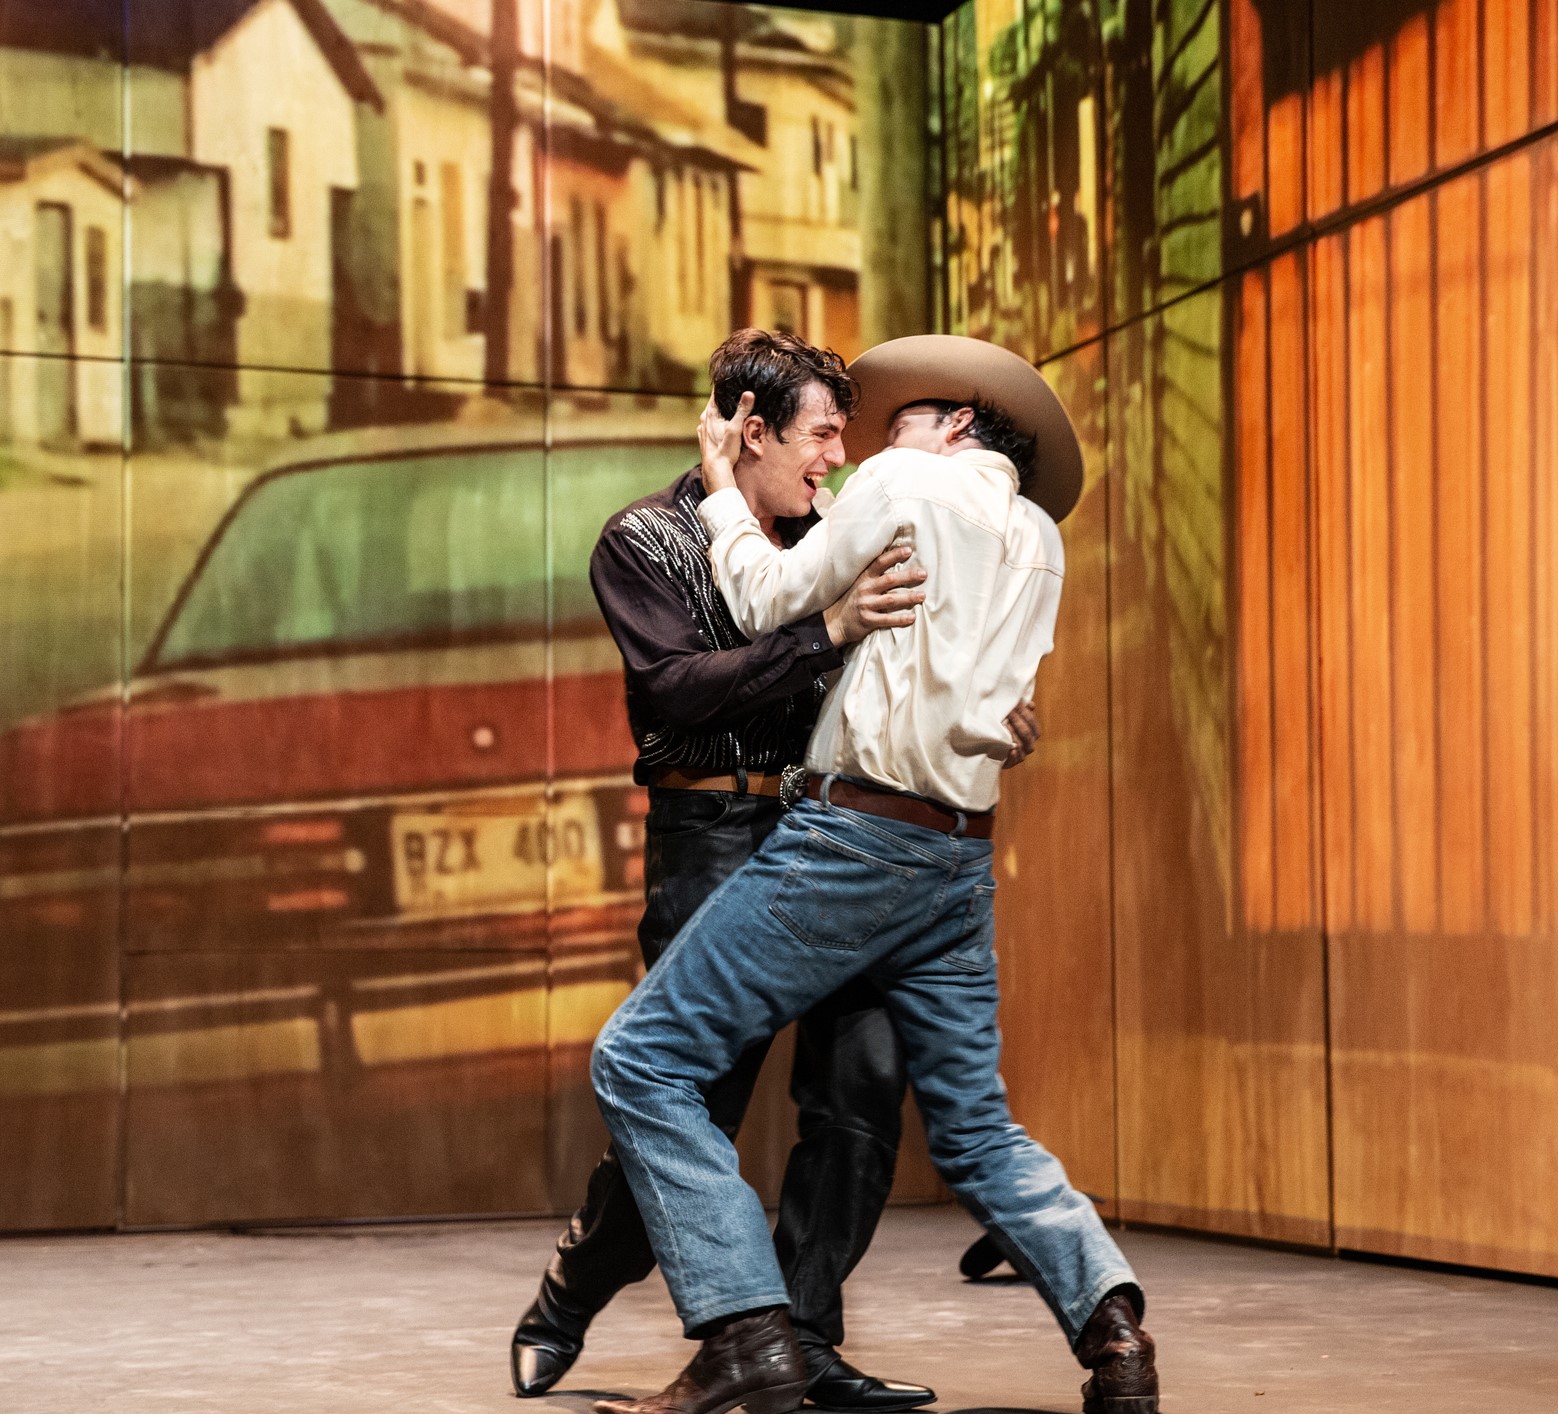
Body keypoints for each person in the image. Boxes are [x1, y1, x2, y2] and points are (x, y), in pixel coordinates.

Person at [588, 335, 1161, 1414]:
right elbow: (1000, 710)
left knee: (641, 1058)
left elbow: (759, 600)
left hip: (855, 842)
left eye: (894, 422)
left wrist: (721, 488)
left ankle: (748, 1335)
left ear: (955, 424)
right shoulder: (1040, 539)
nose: (859, 450)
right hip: (959, 858)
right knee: (975, 1128)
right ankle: (1114, 1331)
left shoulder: (903, 481)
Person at [510, 329, 1040, 1409]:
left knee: (861, 1089)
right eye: (823, 433)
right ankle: (576, 1284)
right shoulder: (646, 541)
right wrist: (825, 632)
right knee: (689, 1094)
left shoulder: (841, 526)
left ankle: (803, 1337)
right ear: (751, 430)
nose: (839, 456)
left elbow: (928, 664)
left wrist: (995, 714)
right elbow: (677, 689)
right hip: (710, 830)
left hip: (836, 837)